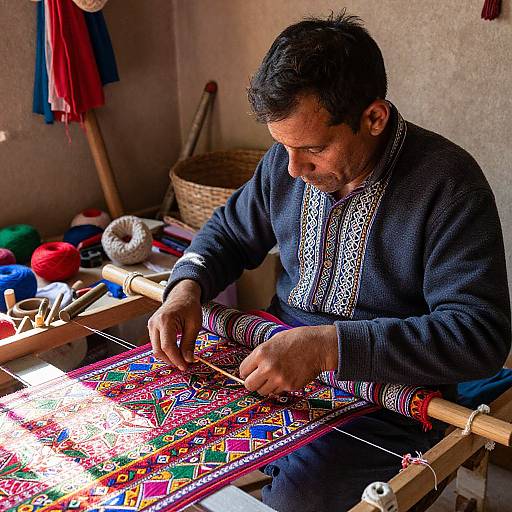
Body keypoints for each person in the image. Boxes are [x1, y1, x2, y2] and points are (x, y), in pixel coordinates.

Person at [148, 12, 511, 511]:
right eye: (285, 148)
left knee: (300, 499)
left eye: (313, 149)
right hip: (273, 355)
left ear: (374, 118)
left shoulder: (449, 185)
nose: (294, 169)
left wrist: (326, 348)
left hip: (386, 400)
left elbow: (479, 335)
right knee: (149, 431)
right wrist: (186, 285)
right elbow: (229, 232)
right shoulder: (287, 164)